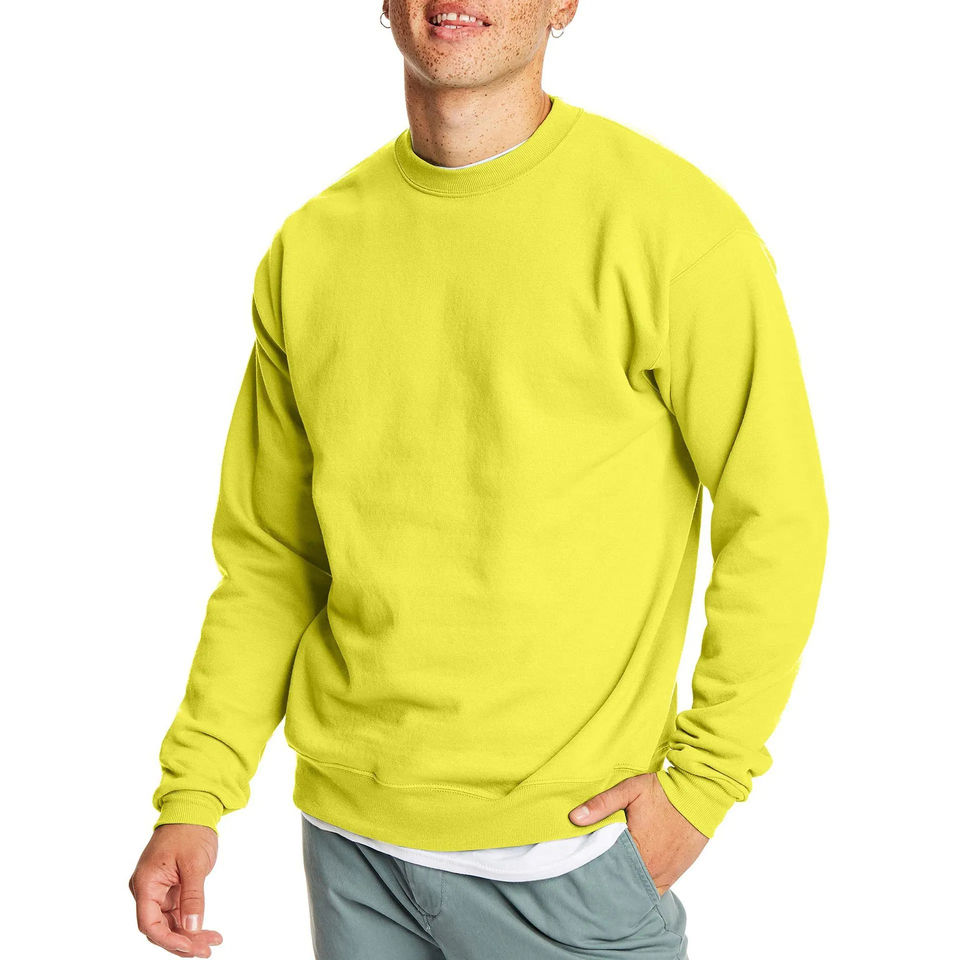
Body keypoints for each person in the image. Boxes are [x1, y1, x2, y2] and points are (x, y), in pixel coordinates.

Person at [128, 2, 830, 957]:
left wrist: (702, 787)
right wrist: (196, 794)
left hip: (570, 856)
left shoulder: (673, 228)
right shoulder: (314, 248)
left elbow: (777, 518)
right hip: (351, 847)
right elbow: (273, 559)